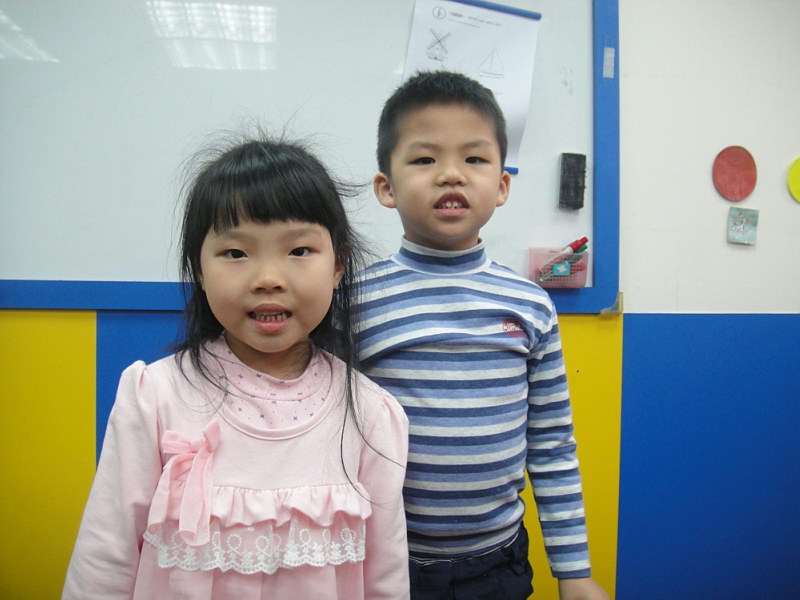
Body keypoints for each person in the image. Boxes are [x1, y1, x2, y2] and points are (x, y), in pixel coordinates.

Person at [63, 135, 410, 600]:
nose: (268, 278)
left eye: (299, 250)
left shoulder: (370, 414)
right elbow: (105, 558)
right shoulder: (155, 396)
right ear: (199, 269)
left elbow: (386, 577)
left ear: (338, 265)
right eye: (235, 253)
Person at [354, 71, 608, 600]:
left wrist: (574, 573)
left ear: (502, 185)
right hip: (384, 563)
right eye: (425, 159)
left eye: (474, 158)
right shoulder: (354, 302)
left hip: (497, 567)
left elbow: (552, 445)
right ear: (386, 187)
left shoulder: (530, 305)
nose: (451, 174)